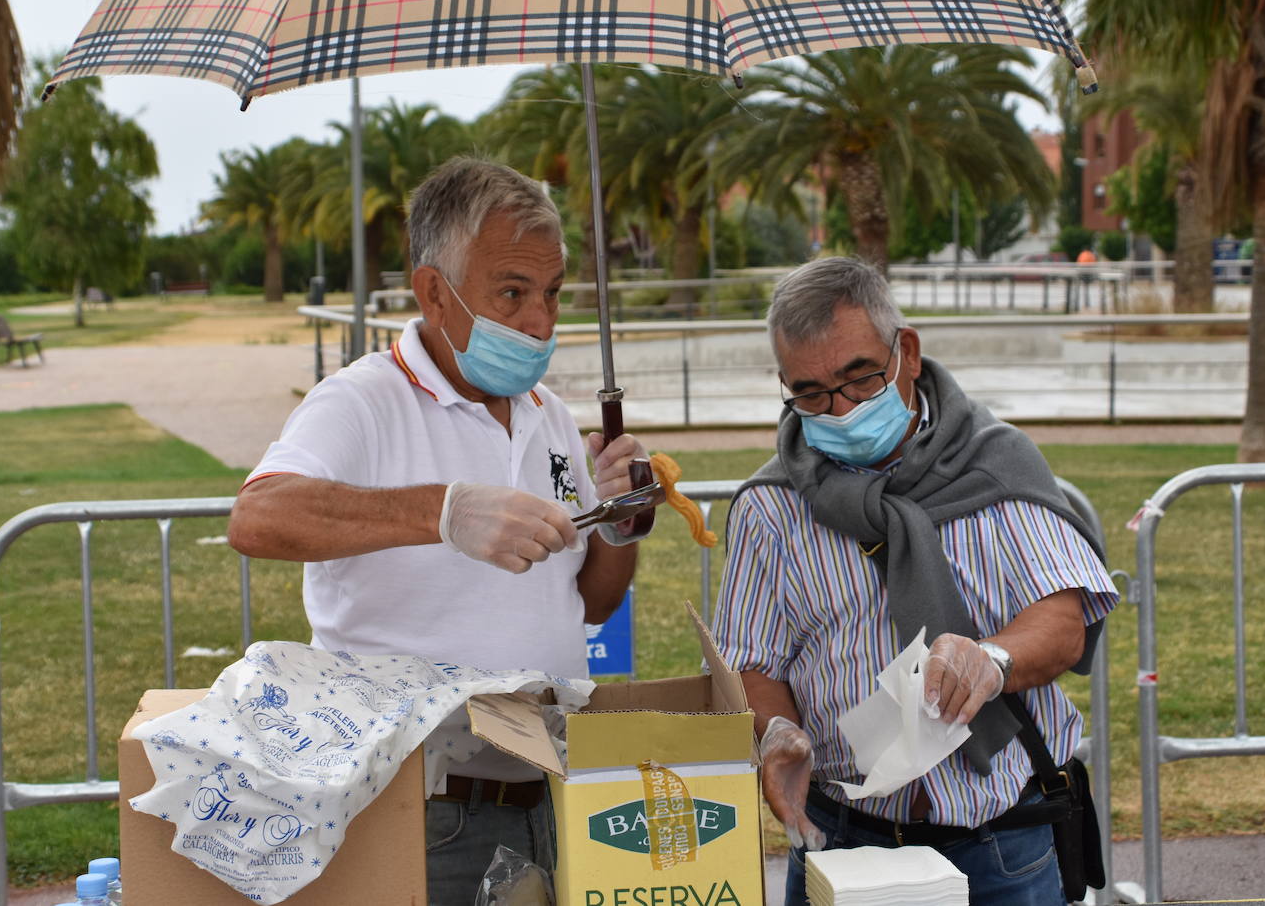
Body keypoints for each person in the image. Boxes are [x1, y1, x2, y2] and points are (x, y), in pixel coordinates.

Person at [227, 157, 650, 903]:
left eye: (552, 293)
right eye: (512, 294)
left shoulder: (548, 413)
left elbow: (587, 604)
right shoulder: (360, 401)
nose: (541, 322)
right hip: (420, 810)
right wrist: (443, 511)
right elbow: (259, 517)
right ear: (434, 292)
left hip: (551, 793)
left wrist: (623, 524)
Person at [711, 256, 1118, 905]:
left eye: (859, 378)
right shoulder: (772, 505)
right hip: (844, 841)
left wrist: (993, 658)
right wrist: (776, 733)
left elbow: (1064, 622)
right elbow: (754, 662)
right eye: (810, 392)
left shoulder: (993, 465)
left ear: (907, 352)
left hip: (999, 842)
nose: (839, 409)